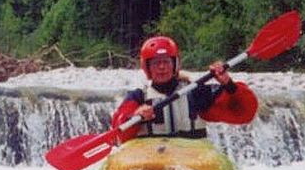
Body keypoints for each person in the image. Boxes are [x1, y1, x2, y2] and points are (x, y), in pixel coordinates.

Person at [111, 34, 258, 141]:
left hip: (192, 158)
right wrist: (135, 117)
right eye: (156, 63)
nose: (162, 67)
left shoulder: (196, 93)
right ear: (147, 68)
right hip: (152, 159)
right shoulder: (137, 98)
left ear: (175, 64)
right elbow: (119, 133)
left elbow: (245, 113)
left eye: (166, 62)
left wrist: (229, 85)